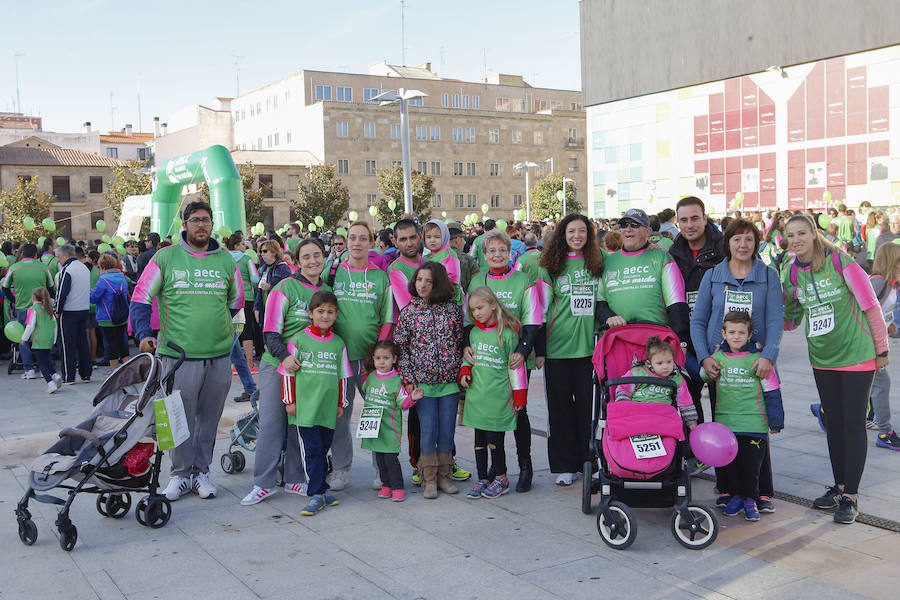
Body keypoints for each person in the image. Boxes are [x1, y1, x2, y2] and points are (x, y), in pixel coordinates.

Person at [131, 201, 244, 502]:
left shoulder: (227, 261)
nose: (201, 225)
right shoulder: (165, 258)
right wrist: (143, 334)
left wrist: (223, 335)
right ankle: (179, 475)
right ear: (184, 223)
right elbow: (140, 299)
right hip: (178, 357)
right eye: (194, 220)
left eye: (206, 220)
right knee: (176, 418)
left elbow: (237, 304)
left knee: (209, 419)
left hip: (219, 358)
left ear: (211, 223)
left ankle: (201, 472)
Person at [782, 214, 889, 524]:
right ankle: (839, 486)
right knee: (833, 421)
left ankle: (851, 496)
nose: (797, 240)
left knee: (854, 423)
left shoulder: (840, 261)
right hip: (822, 357)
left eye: (802, 233)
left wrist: (881, 348)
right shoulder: (790, 272)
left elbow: (870, 304)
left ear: (814, 234)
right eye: (791, 235)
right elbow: (792, 319)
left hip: (856, 353)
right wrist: (782, 301)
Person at [690, 218, 783, 510]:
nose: (743, 245)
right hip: (721, 365)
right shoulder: (713, 276)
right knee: (724, 426)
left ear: (757, 244)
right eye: (737, 239)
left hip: (756, 364)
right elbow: (698, 320)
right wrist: (705, 356)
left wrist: (768, 355)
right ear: (727, 243)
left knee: (756, 426)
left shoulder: (767, 276)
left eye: (749, 239)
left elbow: (775, 320)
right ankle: (728, 487)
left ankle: (760, 491)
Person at [241, 238, 328, 506]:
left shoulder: (327, 290)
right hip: (277, 365)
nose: (312, 261)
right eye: (306, 257)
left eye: (317, 255)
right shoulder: (285, 287)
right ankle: (263, 483)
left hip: (308, 371)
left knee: (297, 425)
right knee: (271, 424)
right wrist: (285, 357)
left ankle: (294, 478)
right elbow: (270, 332)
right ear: (297, 261)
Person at [465, 229, 542, 491]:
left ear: (510, 253)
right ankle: (496, 469)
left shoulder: (523, 280)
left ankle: (525, 466)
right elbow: (467, 320)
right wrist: (466, 346)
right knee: (487, 414)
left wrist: (523, 350)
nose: (497, 255)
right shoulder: (476, 281)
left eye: (502, 250)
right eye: (491, 250)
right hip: (486, 360)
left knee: (519, 412)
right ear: (484, 254)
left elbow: (533, 319)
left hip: (515, 358)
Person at [537, 214, 604, 486]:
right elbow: (539, 310)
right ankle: (565, 465)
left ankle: (590, 461)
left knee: (589, 412)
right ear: (562, 235)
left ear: (589, 235)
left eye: (582, 231)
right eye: (571, 231)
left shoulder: (599, 264)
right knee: (561, 410)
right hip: (557, 350)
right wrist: (539, 349)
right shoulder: (550, 266)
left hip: (589, 350)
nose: (577, 236)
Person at [330, 222, 395, 491]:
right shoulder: (332, 272)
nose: (357, 243)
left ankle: (381, 469)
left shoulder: (381, 277)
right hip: (339, 359)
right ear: (347, 242)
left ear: (371, 243)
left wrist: (380, 353)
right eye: (352, 238)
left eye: (363, 238)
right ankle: (341, 468)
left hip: (371, 361)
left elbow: (389, 318)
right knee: (339, 415)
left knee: (375, 413)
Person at [705, 310, 784, 521]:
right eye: (731, 332)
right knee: (730, 465)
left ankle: (751, 498)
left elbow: (772, 390)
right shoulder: (718, 358)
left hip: (753, 423)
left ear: (750, 335)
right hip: (726, 424)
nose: (736, 336)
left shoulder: (759, 359)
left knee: (751, 466)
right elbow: (704, 374)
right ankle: (736, 497)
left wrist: (776, 421)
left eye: (741, 332)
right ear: (723, 333)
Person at [393, 261, 463, 499]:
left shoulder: (453, 311)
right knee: (428, 431)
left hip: (449, 384)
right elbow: (401, 350)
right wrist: (408, 379)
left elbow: (461, 342)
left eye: (429, 281)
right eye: (419, 279)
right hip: (422, 386)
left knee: (446, 432)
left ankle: (445, 476)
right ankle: (429, 479)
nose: (422, 285)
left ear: (439, 284)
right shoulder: (409, 312)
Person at [282, 290, 352, 516]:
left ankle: (322, 489)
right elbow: (287, 373)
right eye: (320, 311)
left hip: (328, 408)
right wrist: (289, 401)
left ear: (336, 315)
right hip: (305, 409)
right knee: (311, 451)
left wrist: (341, 402)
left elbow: (343, 377)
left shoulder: (338, 343)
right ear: (310, 313)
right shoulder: (299, 340)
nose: (325, 316)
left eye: (330, 312)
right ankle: (315, 494)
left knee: (322, 449)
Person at [459, 286, 528, 499]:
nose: (477, 313)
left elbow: (516, 367)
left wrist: (519, 395)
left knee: (494, 440)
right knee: (478, 441)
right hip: (477, 396)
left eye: (480, 308)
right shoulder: (474, 333)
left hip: (498, 398)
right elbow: (468, 358)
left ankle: (501, 478)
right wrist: (465, 371)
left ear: (493, 306)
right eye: (473, 310)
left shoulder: (507, 333)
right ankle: (483, 479)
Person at [669, 197, 725, 425]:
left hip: (720, 339)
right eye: (684, 220)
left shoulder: (724, 248)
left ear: (705, 218)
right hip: (687, 340)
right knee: (688, 406)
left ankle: (727, 456)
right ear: (677, 223)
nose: (689, 225)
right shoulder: (673, 253)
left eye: (694, 218)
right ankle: (697, 456)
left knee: (723, 406)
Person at [360, 340, 421, 502]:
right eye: (378, 358)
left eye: (386, 358)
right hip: (374, 428)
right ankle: (386, 485)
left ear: (394, 359)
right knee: (379, 458)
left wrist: (412, 398)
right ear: (373, 359)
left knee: (390, 459)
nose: (381, 362)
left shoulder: (396, 380)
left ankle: (398, 487)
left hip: (389, 428)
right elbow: (365, 390)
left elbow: (403, 403)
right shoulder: (371, 377)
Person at [614, 336, 698, 428]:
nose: (665, 366)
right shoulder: (638, 372)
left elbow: (685, 402)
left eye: (669, 362)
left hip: (663, 416)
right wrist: (624, 409)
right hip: (637, 413)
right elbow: (623, 389)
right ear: (649, 363)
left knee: (669, 439)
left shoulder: (676, 378)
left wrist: (692, 423)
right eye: (660, 363)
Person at [2, 243, 54, 379]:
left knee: (23, 338)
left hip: (22, 308)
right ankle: (45, 367)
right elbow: (51, 287)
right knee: (41, 336)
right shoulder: (43, 267)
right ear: (36, 255)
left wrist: (13, 299)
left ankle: (29, 368)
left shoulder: (14, 267)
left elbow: (5, 287)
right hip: (42, 308)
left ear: (22, 254)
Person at [867, 242, 900, 450]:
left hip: (877, 341)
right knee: (881, 384)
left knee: (866, 387)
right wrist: (880, 349)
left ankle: (827, 410)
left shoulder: (891, 283)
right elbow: (862, 312)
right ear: (891, 262)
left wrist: (890, 324)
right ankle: (885, 432)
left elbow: (882, 311)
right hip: (867, 344)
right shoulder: (878, 282)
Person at [55, 244, 93, 384]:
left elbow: (61, 293)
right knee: (82, 342)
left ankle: (68, 376)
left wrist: (57, 310)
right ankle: (86, 374)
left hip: (69, 311)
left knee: (67, 345)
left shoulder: (68, 270)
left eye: (58, 257)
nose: (57, 260)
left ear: (66, 256)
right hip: (83, 309)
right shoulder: (84, 268)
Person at [89, 253, 130, 373]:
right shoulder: (122, 277)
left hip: (107, 317)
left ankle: (114, 370)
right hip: (122, 315)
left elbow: (94, 298)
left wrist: (90, 292)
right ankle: (129, 368)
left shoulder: (103, 280)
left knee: (111, 344)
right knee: (122, 343)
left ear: (102, 266)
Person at [20, 287, 61, 393]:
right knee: (47, 360)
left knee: (42, 363)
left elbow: (30, 326)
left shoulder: (32, 309)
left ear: (33, 298)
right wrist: (54, 340)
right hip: (49, 339)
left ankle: (50, 383)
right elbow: (55, 325)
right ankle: (55, 376)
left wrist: (24, 338)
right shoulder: (48, 309)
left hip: (38, 340)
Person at [449, 222, 479, 293]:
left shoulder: (430, 258)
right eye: (464, 238)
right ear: (457, 240)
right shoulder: (469, 260)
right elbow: (477, 288)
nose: (465, 242)